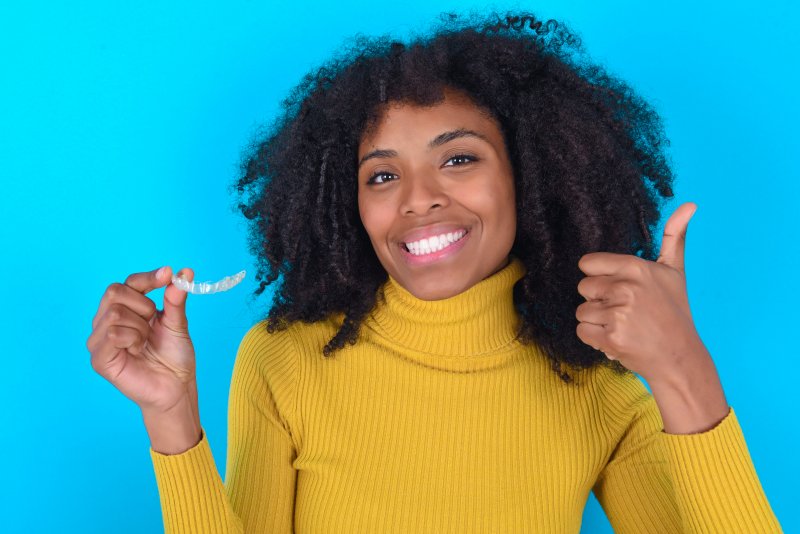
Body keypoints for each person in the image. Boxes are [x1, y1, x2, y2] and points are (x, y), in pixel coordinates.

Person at [87, 12, 782, 533]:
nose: (418, 198)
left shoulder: (597, 390)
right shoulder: (283, 361)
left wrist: (684, 371)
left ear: (529, 179)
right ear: (349, 204)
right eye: (382, 174)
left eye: (459, 159)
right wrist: (172, 418)